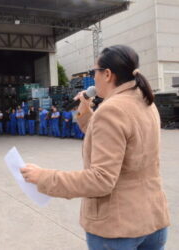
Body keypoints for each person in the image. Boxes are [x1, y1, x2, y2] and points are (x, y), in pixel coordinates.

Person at [21, 45, 169, 250]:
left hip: (118, 228)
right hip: (152, 219)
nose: (93, 77)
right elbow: (112, 140)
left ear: (107, 74)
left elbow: (100, 180)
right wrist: (85, 109)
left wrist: (44, 178)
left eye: (94, 72)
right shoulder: (144, 101)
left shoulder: (111, 110)